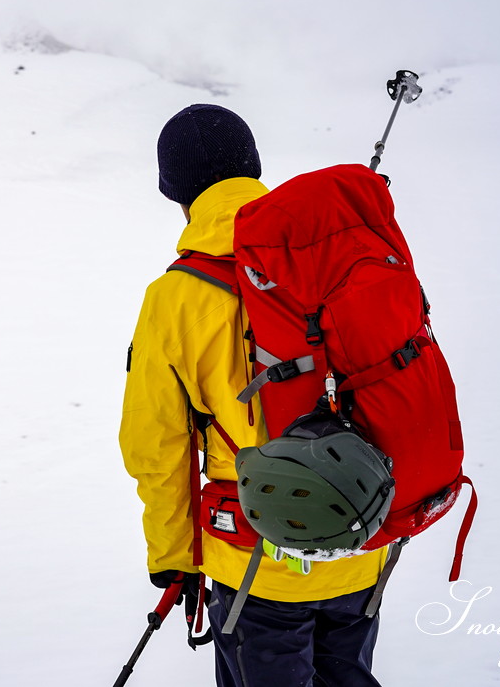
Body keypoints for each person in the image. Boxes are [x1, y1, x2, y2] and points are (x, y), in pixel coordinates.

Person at [119, 106, 388, 686]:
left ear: (176, 189)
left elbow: (156, 447)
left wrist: (173, 560)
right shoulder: (334, 254)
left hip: (254, 565)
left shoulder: (176, 297)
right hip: (363, 539)